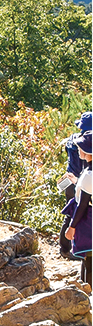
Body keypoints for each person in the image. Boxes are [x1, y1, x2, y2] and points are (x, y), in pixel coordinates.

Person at [59, 111, 91, 260]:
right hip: (80, 181)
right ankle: (75, 249)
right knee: (81, 213)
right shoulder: (88, 143)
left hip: (68, 179)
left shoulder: (72, 140)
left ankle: (64, 248)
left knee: (69, 213)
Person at [63, 130, 92, 285]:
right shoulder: (88, 171)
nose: (78, 150)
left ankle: (89, 296)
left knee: (89, 261)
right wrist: (76, 182)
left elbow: (83, 205)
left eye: (81, 147)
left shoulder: (89, 175)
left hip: (88, 222)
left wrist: (72, 226)